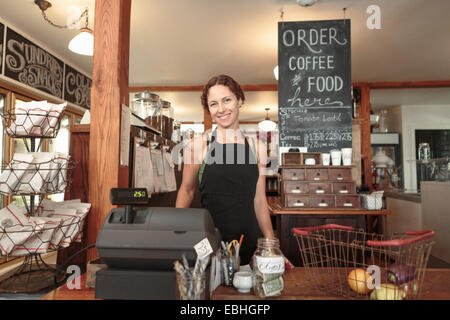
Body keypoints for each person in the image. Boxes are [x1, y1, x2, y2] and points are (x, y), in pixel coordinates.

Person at [176, 74, 293, 268]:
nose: (221, 109)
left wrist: (271, 246)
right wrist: (177, 235)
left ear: (240, 100)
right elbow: (186, 191)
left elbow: (259, 199)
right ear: (209, 109)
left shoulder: (257, 148)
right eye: (213, 104)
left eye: (227, 100)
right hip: (208, 244)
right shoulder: (197, 146)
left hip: (249, 244)